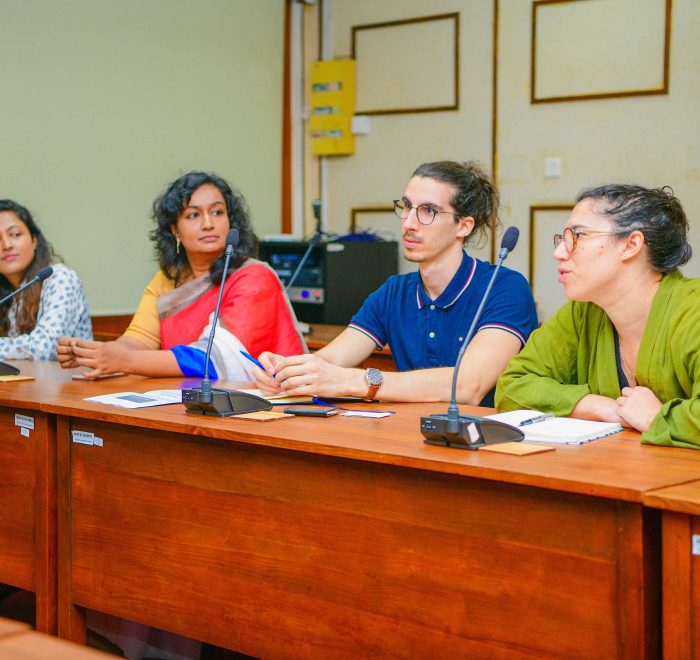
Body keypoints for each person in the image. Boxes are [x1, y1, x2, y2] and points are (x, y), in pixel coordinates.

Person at [254, 161, 538, 405]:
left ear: (463, 225)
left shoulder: (505, 288)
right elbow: (331, 360)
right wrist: (286, 371)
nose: (409, 223)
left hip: (486, 441)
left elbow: (467, 387)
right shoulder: (394, 291)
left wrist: (357, 381)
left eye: (428, 211)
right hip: (409, 435)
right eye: (407, 206)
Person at [496, 184, 699, 449]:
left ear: (631, 244)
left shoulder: (692, 310)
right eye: (563, 239)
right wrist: (601, 407)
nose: (559, 253)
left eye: (578, 235)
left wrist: (656, 418)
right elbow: (512, 387)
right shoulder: (583, 311)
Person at [57, 171, 305, 379]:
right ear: (175, 230)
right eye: (193, 215)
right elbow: (139, 340)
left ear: (231, 221)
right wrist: (96, 353)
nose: (208, 223)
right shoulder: (169, 279)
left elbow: (214, 359)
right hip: (188, 403)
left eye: (217, 212)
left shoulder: (254, 278)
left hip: (266, 406)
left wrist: (124, 361)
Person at [0, 199, 91, 360]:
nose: (6, 245)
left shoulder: (60, 278)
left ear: (34, 240)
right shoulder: (9, 292)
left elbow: (44, 348)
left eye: (15, 235)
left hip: (74, 376)